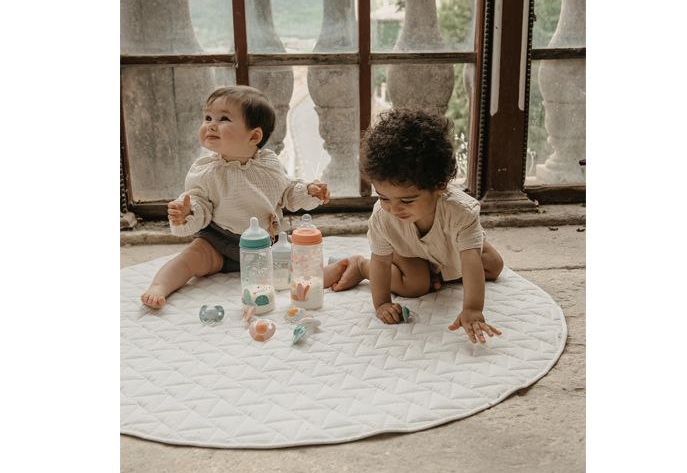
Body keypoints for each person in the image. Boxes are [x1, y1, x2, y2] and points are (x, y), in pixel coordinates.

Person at [140, 85, 331, 309]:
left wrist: (308, 191)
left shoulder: (269, 164)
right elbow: (200, 203)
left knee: (302, 263)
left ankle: (333, 273)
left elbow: (287, 191)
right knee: (188, 259)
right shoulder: (205, 170)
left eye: (223, 119)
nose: (211, 125)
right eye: (208, 117)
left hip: (266, 245)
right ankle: (159, 286)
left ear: (254, 136)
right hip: (218, 242)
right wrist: (187, 213)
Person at [326, 108, 505, 344]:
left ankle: (442, 268)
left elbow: (471, 259)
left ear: (439, 186)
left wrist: (472, 309)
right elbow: (381, 261)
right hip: (409, 251)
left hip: (451, 247)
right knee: (415, 285)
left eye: (407, 201)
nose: (394, 208)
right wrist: (382, 303)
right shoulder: (383, 216)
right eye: (383, 197)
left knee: (493, 266)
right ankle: (360, 266)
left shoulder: (461, 212)